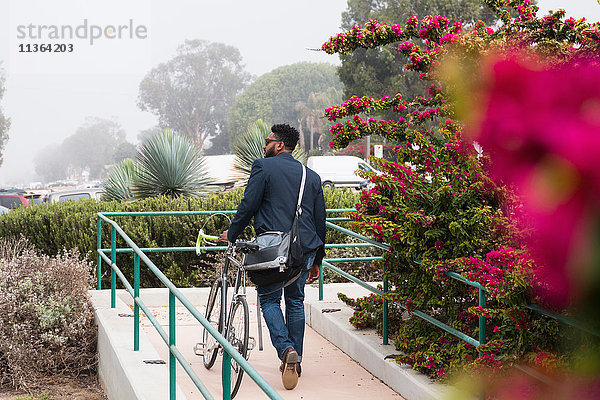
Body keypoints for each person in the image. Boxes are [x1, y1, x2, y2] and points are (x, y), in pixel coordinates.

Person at [218, 123, 326, 390]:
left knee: (268, 300)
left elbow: (248, 204)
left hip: (272, 249)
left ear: (278, 145)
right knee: (296, 301)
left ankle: (285, 347)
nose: (264, 145)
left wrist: (232, 233)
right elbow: (321, 219)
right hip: (305, 250)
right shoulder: (310, 176)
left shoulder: (263, 167)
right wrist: (319, 260)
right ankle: (295, 360)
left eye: (267, 141)